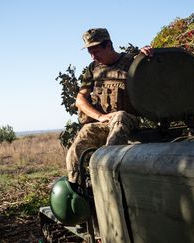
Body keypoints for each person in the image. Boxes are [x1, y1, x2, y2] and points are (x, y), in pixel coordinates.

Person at [66, 28, 153, 184]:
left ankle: (107, 176)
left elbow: (155, 75)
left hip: (129, 120)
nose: (93, 56)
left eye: (96, 51)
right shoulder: (93, 69)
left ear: (109, 45)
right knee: (77, 146)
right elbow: (80, 99)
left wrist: (147, 54)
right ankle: (77, 187)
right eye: (90, 52)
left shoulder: (132, 62)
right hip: (104, 122)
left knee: (119, 116)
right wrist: (100, 117)